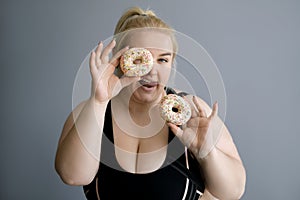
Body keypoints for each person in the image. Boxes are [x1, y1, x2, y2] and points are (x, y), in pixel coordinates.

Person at [55, 7, 246, 200]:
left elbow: (233, 192)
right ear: (120, 60)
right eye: (140, 58)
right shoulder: (91, 111)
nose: (151, 72)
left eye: (163, 60)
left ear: (172, 63)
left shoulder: (193, 112)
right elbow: (73, 176)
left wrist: (206, 153)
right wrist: (98, 102)